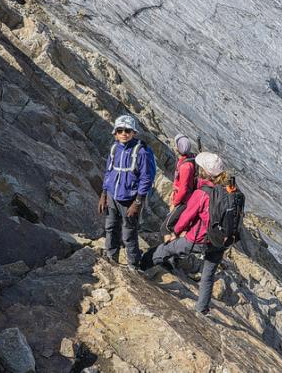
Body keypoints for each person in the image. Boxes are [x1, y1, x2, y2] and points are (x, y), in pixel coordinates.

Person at [139, 151, 230, 314]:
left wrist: (174, 232)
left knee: (165, 249)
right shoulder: (226, 193)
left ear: (204, 171)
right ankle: (202, 309)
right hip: (218, 243)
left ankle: (140, 266)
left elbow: (187, 216)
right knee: (208, 276)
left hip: (199, 239)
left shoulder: (202, 193)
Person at [98, 114, 157, 269]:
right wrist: (104, 194)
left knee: (128, 234)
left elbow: (146, 178)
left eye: (127, 130)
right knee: (110, 228)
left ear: (133, 133)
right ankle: (112, 257)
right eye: (120, 130)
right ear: (115, 133)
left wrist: (137, 202)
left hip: (130, 200)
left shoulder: (141, 152)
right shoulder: (114, 149)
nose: (124, 133)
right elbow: (108, 172)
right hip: (112, 196)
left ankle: (133, 264)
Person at [163, 134, 197, 235]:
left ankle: (170, 246)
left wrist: (175, 202)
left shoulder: (186, 166)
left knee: (166, 227)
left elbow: (184, 188)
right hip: (180, 196)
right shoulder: (188, 159)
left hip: (183, 199)